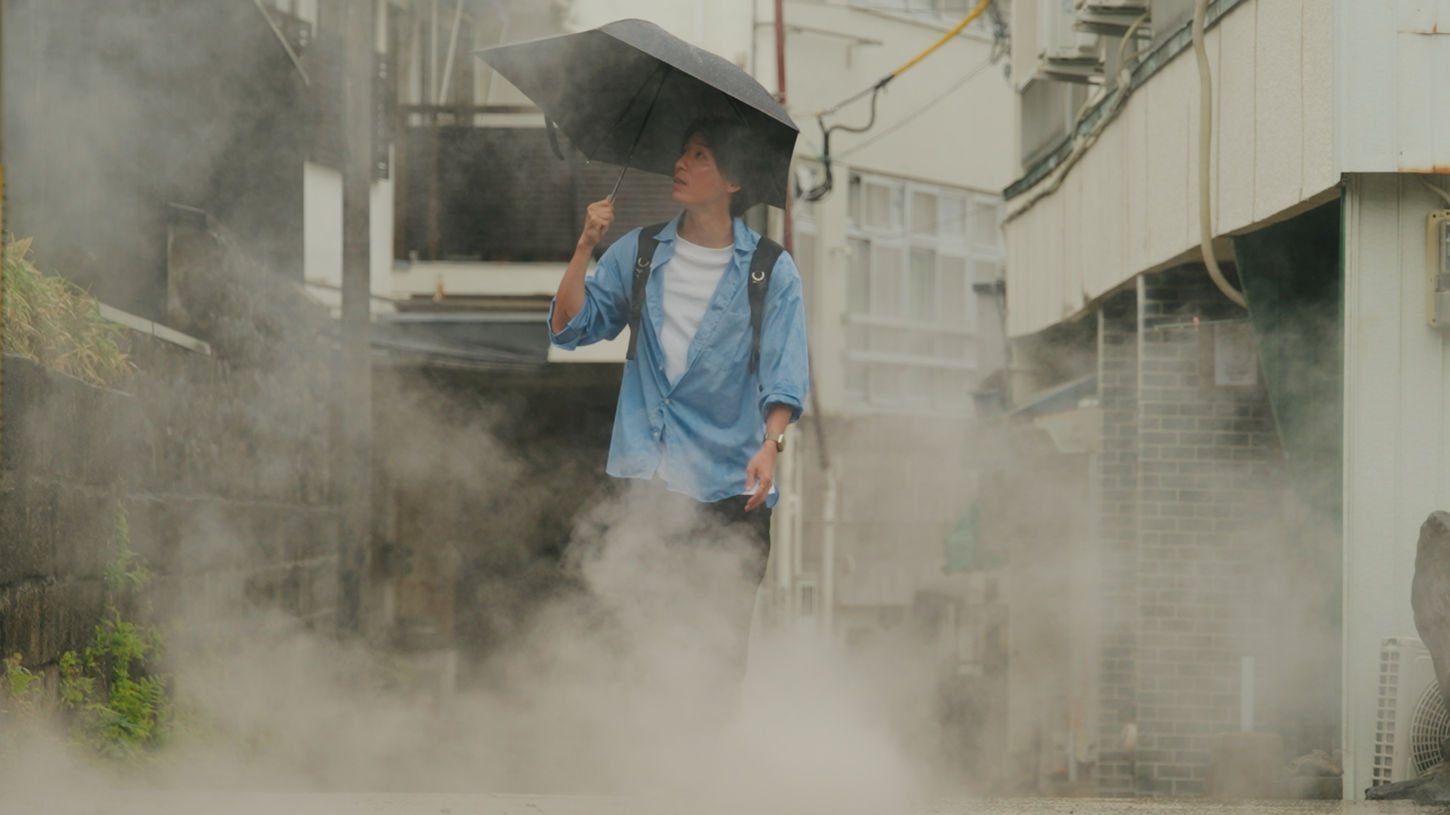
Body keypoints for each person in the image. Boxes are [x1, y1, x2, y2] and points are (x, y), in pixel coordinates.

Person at [548, 116, 809, 684]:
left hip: (729, 490)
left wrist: (772, 446)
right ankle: (644, 765)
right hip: (647, 485)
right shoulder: (638, 254)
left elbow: (785, 375)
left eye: (700, 157)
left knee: (715, 658)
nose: (681, 165)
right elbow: (569, 328)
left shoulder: (770, 271)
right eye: (683, 153)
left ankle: (700, 768)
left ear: (733, 182)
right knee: (632, 645)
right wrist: (585, 244)